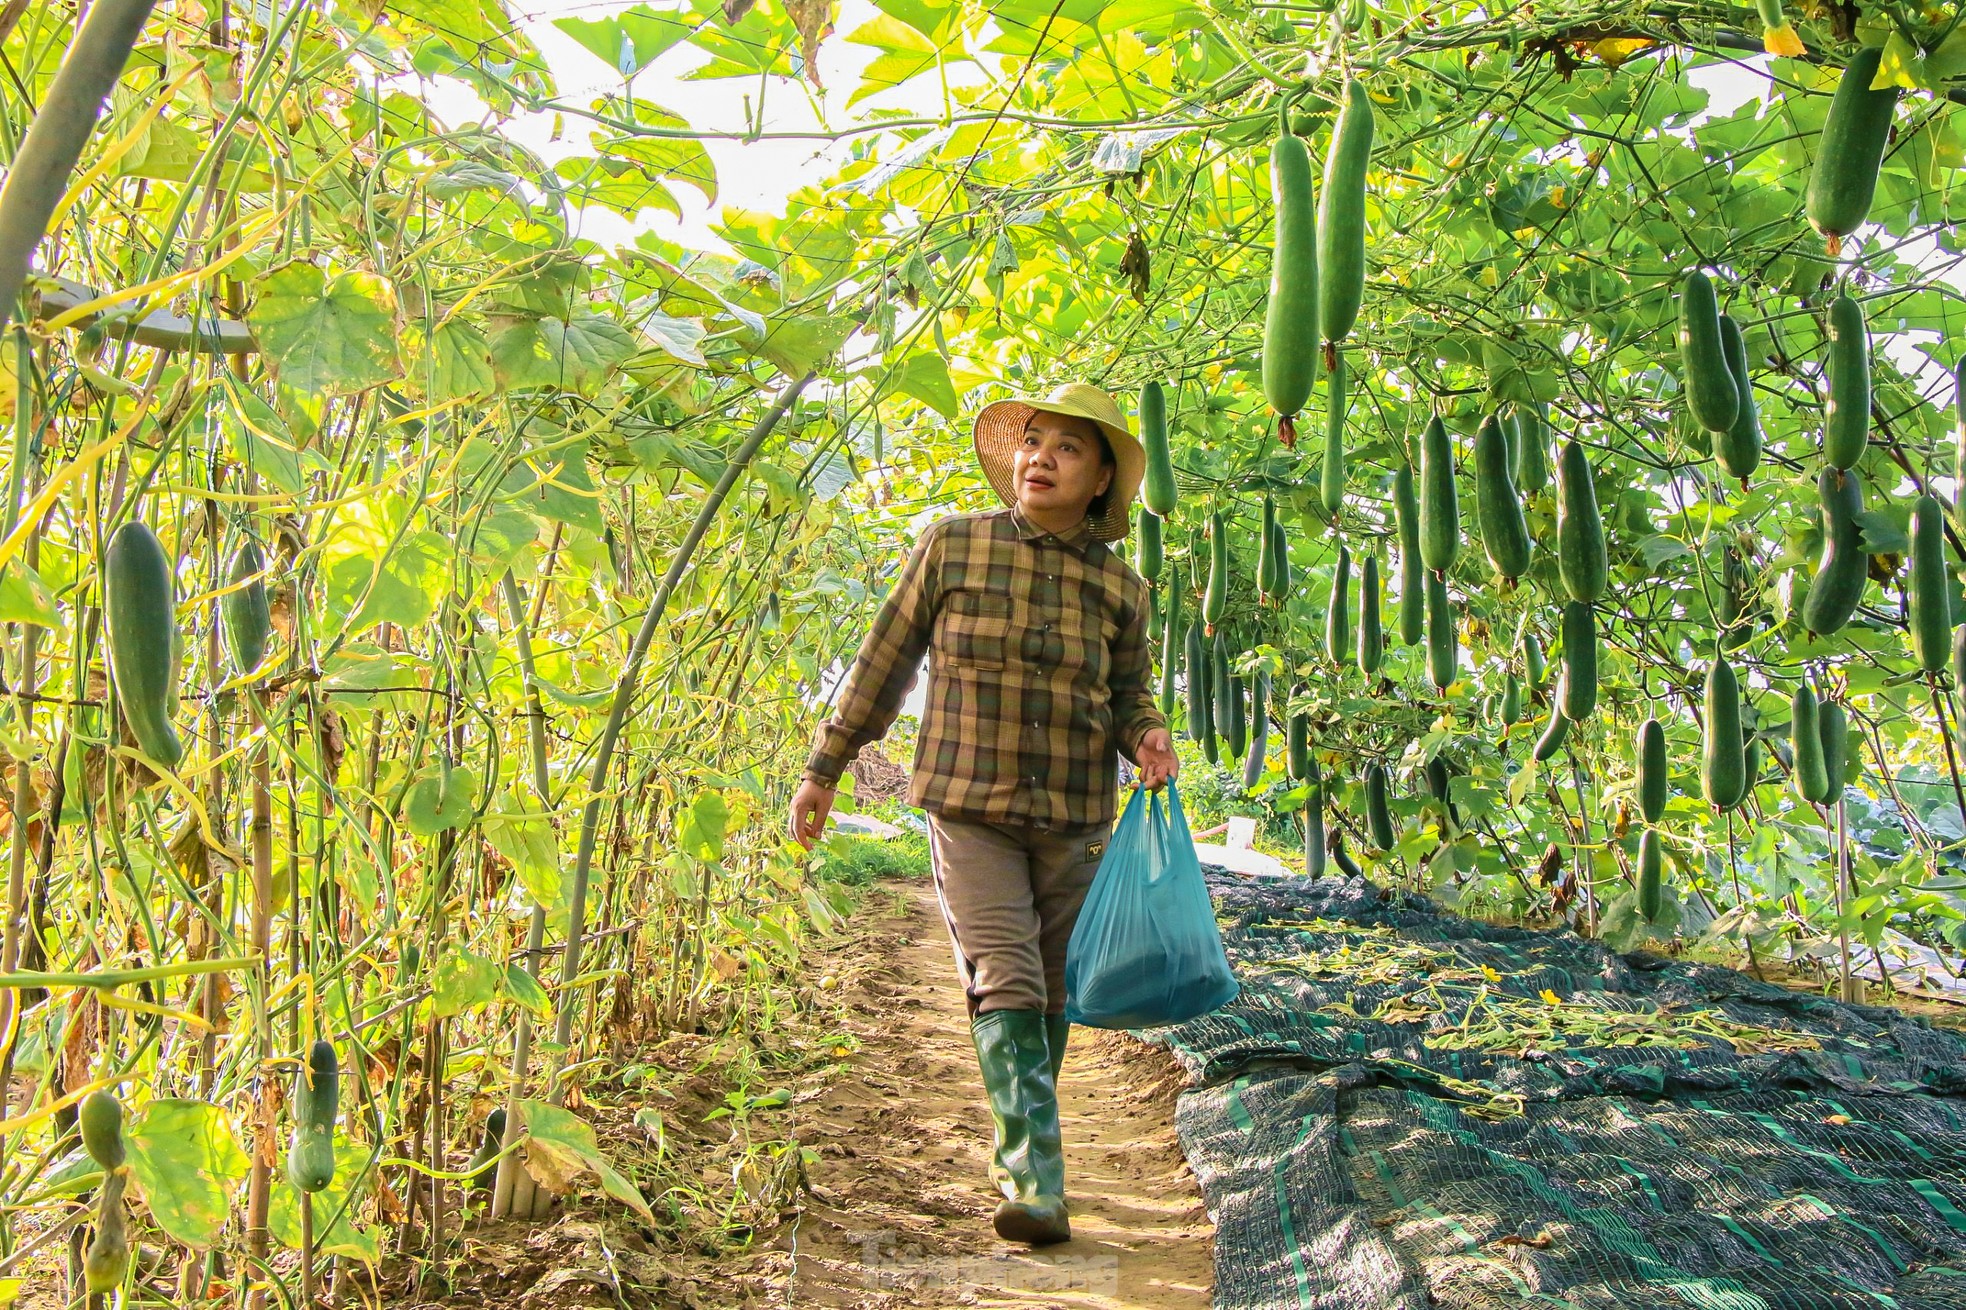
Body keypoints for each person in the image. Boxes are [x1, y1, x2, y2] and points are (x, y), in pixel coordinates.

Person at [788, 381, 1178, 1246]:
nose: (1039, 457)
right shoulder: (952, 547)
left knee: (1052, 987)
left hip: (1076, 812)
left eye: (1067, 448)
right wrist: (826, 765)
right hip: (969, 805)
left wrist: (1148, 735)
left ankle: (1026, 1151)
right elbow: (882, 660)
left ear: (1104, 477)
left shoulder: (1122, 588)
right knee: (1004, 971)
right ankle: (1034, 1174)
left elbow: (1127, 696)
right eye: (1033, 441)